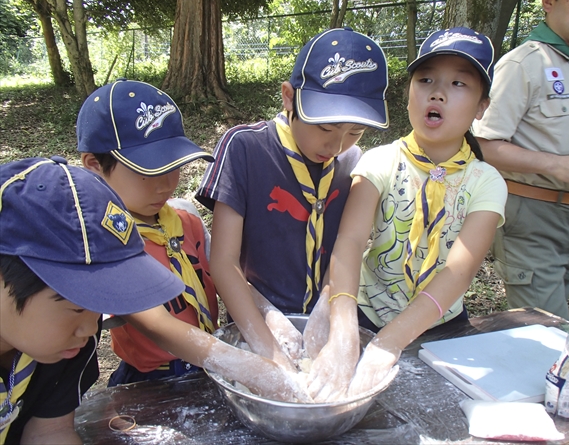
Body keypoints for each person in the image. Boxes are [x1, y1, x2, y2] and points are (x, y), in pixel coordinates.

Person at [77, 79, 310, 403]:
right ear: (94, 165)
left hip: (209, 367)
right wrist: (250, 368)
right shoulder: (106, 243)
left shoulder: (186, 222)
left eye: (173, 167)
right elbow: (157, 325)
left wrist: (272, 319)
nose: (165, 185)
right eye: (147, 171)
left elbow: (228, 278)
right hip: (152, 385)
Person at [307, 27, 508, 402]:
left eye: (459, 84)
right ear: (409, 93)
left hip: (442, 327)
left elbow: (458, 272)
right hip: (365, 316)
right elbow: (350, 242)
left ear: (482, 106)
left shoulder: (487, 183)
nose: (437, 92)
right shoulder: (380, 160)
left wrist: (390, 344)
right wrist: (345, 326)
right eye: (426, 79)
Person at [194, 27, 390, 371]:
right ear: (288, 97)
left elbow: (348, 248)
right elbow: (223, 262)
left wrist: (326, 314)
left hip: (326, 319)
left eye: (354, 132)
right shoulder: (245, 148)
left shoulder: (352, 161)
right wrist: (268, 344)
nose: (336, 146)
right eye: (325, 128)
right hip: (254, 317)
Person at [0, 156, 184, 444]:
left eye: (99, 305)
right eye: (76, 305)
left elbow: (49, 431)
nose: (89, 330)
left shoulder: (64, 346)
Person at [472, 0, 569, 320]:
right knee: (547, 331)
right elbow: (482, 145)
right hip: (531, 216)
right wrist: (558, 165)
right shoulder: (524, 65)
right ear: (548, 1)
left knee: (545, 328)